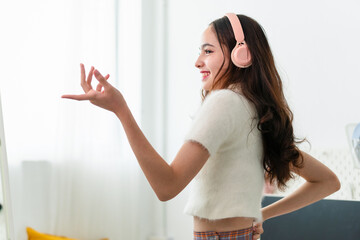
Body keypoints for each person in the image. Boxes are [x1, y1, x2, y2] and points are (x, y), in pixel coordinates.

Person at [62, 13, 341, 240]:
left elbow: (166, 186)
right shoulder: (257, 110)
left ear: (240, 53)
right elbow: (328, 181)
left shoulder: (225, 102)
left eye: (207, 51)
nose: (197, 62)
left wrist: (121, 110)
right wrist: (260, 214)